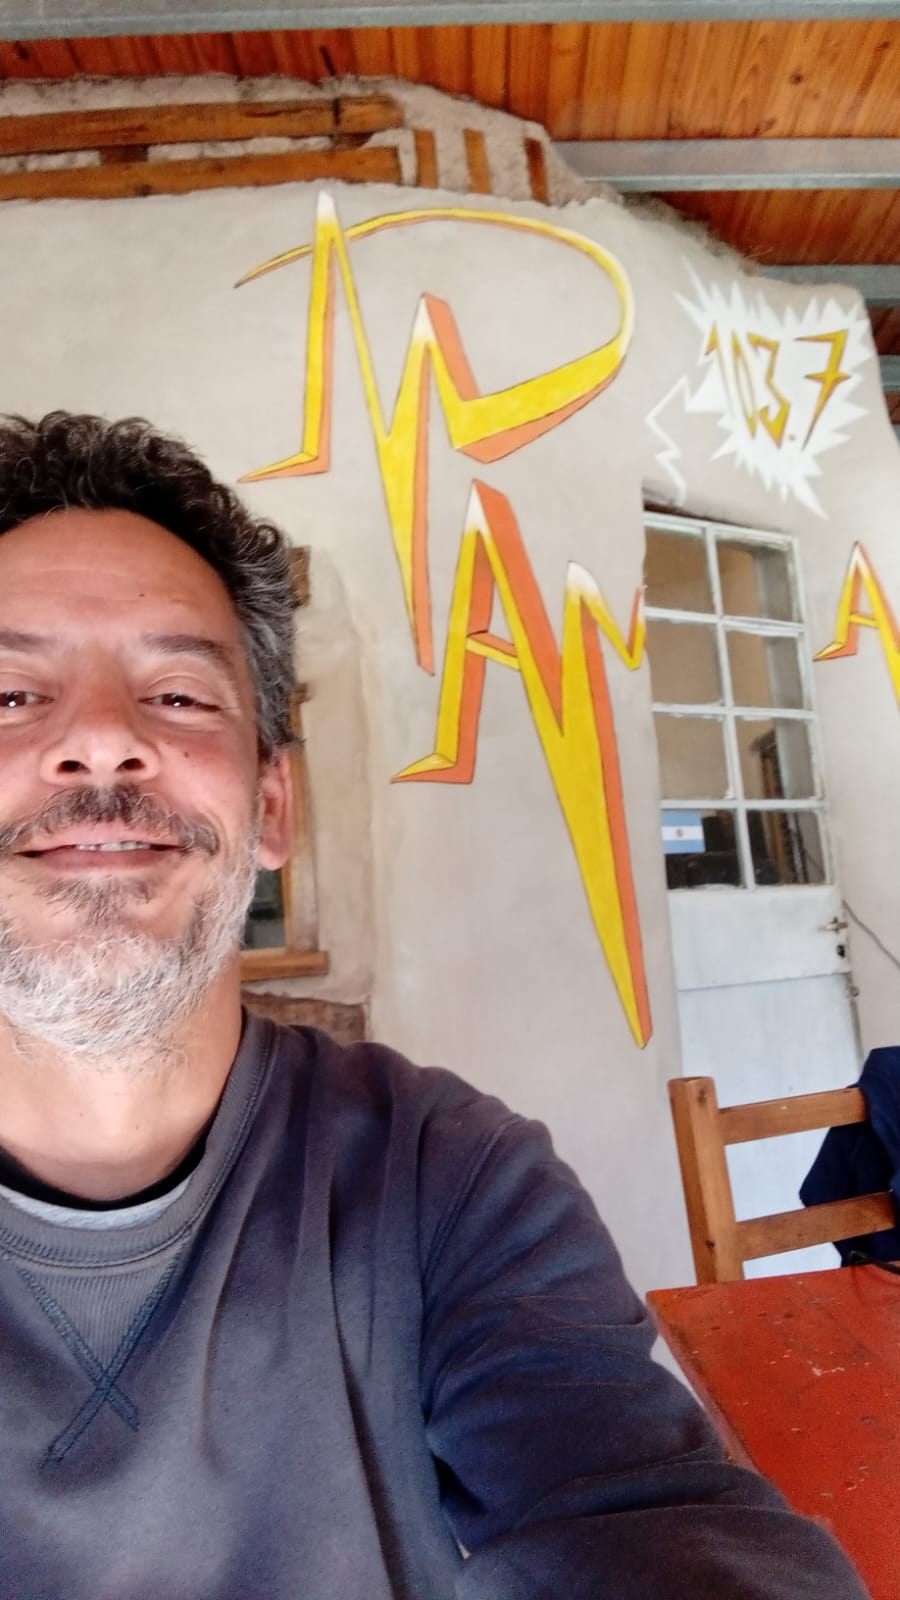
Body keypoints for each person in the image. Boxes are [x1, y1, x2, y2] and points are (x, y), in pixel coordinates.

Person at [0, 411, 867, 1600]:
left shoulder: (450, 1178)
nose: (102, 738)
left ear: (273, 807)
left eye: (181, 695)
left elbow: (634, 1513)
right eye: (10, 693)